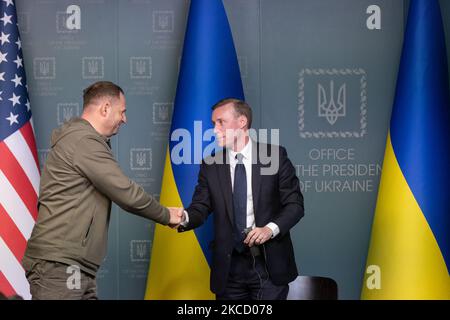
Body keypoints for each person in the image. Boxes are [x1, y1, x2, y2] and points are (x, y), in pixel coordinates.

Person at [22, 81, 183, 300]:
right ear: (105, 108)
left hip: (73, 264)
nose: (124, 119)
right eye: (122, 112)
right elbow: (125, 192)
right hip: (60, 263)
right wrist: (166, 214)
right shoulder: (83, 140)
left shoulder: (83, 140)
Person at [178, 98, 304, 300]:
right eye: (213, 123)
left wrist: (269, 229)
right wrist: (183, 217)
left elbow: (295, 205)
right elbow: (200, 207)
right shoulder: (210, 165)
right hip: (229, 270)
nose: (215, 129)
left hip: (269, 266)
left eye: (221, 122)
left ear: (242, 122)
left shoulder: (275, 156)